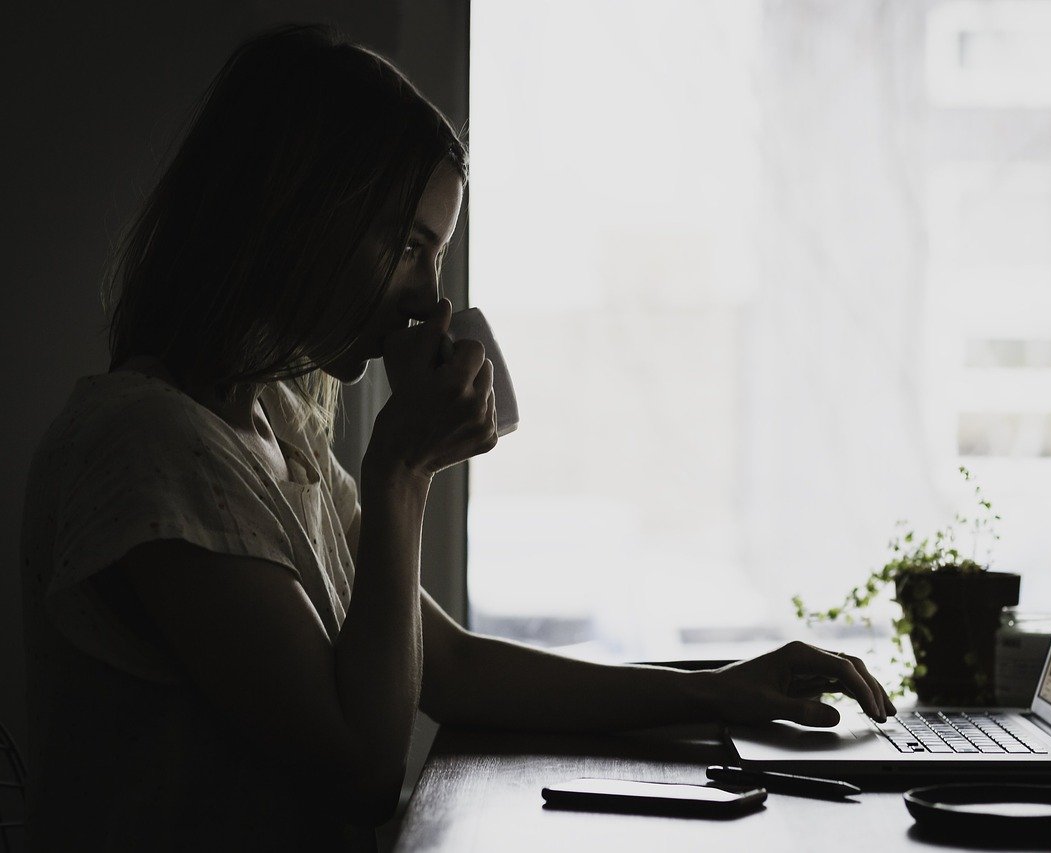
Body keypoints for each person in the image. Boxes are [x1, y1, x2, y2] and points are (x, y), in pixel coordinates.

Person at [18, 23, 893, 851]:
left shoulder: (273, 429)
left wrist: (724, 688)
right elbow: (359, 763)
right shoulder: (149, 447)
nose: (430, 299)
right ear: (296, 219)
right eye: (407, 244)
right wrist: (403, 467)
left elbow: (453, 665)